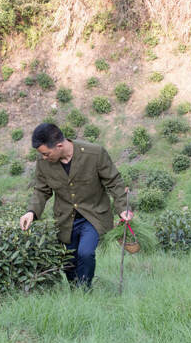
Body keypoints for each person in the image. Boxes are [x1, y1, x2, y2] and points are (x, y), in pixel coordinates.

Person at [19, 123, 133, 288]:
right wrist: (31, 212)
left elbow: (114, 182)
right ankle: (75, 290)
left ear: (59, 146)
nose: (44, 157)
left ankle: (85, 291)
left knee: (85, 253)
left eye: (46, 153)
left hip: (94, 215)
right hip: (65, 219)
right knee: (68, 260)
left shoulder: (95, 154)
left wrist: (123, 208)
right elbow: (41, 190)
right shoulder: (43, 163)